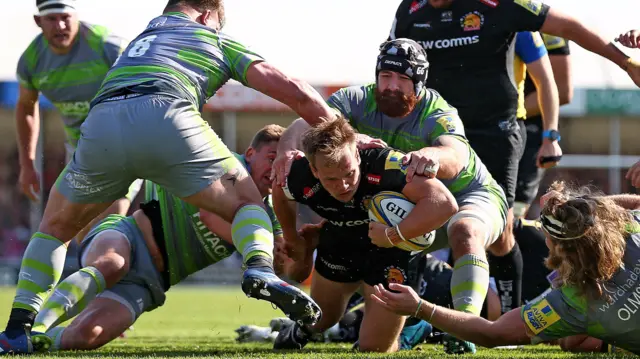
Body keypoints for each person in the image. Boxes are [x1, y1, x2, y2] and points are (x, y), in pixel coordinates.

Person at [0, 0, 335, 354]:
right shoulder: (212, 38)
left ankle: (17, 329)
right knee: (245, 206)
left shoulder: (140, 40)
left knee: (53, 230)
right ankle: (258, 268)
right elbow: (292, 88)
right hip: (164, 114)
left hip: (103, 123)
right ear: (208, 16)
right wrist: (341, 133)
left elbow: (294, 267)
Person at [387, 0, 640, 319]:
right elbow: (392, 69)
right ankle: (434, 315)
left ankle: (502, 315)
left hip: (497, 133)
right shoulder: (410, 10)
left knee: (500, 229)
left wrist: (625, 62)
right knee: (418, 214)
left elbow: (566, 38)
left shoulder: (502, 7)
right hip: (439, 137)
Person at [273, 38, 508, 353]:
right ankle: (387, 322)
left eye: (403, 79)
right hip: (406, 207)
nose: (391, 86)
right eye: (386, 76)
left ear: (419, 83)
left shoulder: (436, 109)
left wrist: (428, 157)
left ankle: (463, 326)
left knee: (464, 231)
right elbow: (307, 122)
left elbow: (455, 154)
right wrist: (286, 151)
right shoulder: (357, 99)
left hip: (464, 195)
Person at [26, 125, 297, 353]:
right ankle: (30, 328)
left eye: (282, 163)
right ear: (250, 153)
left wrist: (298, 245)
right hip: (127, 237)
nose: (275, 168)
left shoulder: (268, 214)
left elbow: (289, 268)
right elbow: (209, 216)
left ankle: (33, 344)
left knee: (85, 337)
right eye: (272, 157)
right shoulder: (227, 165)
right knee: (112, 263)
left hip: (150, 282)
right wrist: (263, 250)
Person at [372, 181, 640, 355]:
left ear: (557, 246)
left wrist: (420, 307)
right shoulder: (632, 233)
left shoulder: (570, 302)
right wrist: (580, 210)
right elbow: (634, 204)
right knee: (575, 341)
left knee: (575, 340)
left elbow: (491, 333)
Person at [271, 117, 458, 353]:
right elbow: (278, 189)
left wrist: (392, 235)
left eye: (349, 173)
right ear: (314, 170)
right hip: (340, 242)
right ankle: (301, 330)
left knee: (373, 348)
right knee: (319, 318)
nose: (343, 185)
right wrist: (291, 237)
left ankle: (412, 329)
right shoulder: (298, 174)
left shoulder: (388, 165)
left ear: (357, 156)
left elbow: (444, 203)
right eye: (331, 179)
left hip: (391, 251)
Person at [15, 0, 143, 242]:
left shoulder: (107, 46)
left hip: (122, 148)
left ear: (76, 16)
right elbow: (26, 107)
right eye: (52, 19)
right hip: (80, 152)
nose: (60, 25)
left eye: (65, 17)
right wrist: (27, 164)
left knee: (102, 232)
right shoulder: (31, 60)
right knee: (72, 232)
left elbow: (144, 89)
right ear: (38, 21)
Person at [515, 32, 573, 218]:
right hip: (478, 127)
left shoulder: (547, 26)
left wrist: (503, 111)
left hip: (528, 132)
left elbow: (563, 91)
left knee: (512, 216)